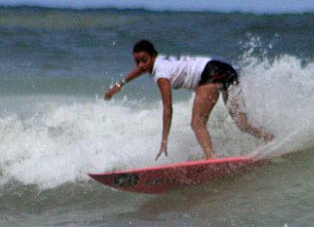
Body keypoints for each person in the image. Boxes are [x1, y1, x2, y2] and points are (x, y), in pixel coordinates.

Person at [104, 40, 273, 160]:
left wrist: (164, 141)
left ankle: (211, 159)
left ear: (154, 56)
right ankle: (272, 139)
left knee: (197, 123)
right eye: (137, 61)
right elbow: (141, 70)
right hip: (225, 69)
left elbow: (168, 109)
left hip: (211, 73)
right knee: (243, 124)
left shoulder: (161, 75)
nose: (141, 65)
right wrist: (120, 84)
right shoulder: (159, 63)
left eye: (144, 60)